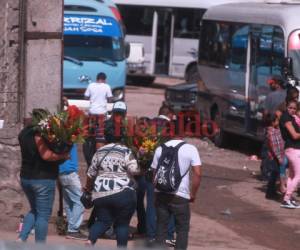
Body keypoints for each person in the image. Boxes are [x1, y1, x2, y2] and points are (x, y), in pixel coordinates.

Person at [84, 120, 140, 247]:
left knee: (102, 221)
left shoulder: (99, 152)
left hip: (101, 193)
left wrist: (88, 190)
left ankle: (90, 240)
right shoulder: (126, 151)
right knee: (122, 224)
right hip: (123, 193)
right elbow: (134, 170)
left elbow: (90, 173)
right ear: (122, 136)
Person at [17, 110, 70, 243]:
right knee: (43, 215)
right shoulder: (39, 134)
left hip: (26, 177)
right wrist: (63, 156)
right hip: (42, 178)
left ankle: (21, 238)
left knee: (34, 210)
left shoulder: (23, 133)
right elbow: (46, 155)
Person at [151, 138, 202, 250]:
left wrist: (156, 192)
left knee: (161, 226)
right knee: (182, 229)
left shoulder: (160, 148)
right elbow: (198, 174)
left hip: (161, 193)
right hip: (180, 195)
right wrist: (192, 194)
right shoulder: (190, 149)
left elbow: (154, 174)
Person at [59, 144, 86, 240]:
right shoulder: (68, 137)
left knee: (70, 203)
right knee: (80, 201)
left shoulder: (59, 138)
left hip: (62, 172)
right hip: (70, 172)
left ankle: (71, 229)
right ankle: (73, 230)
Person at [279, 99, 300, 209]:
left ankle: (288, 199)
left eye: (294, 108)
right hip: (293, 149)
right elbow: (294, 135)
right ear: (286, 107)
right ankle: (286, 199)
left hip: (293, 148)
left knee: (292, 175)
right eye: (290, 108)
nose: (292, 110)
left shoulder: (292, 118)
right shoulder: (286, 118)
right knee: (299, 175)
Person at [84, 72, 113, 149]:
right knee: (100, 136)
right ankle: (99, 152)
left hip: (92, 112)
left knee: (91, 133)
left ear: (97, 78)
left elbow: (86, 97)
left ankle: (90, 148)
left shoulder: (90, 85)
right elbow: (110, 99)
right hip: (101, 113)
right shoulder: (106, 86)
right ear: (104, 79)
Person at [264, 112, 285, 200]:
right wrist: (279, 157)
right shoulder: (271, 133)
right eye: (277, 120)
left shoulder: (274, 130)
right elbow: (274, 147)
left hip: (276, 157)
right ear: (272, 122)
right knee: (273, 175)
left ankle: (272, 191)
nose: (278, 122)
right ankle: (269, 193)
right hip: (274, 158)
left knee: (275, 174)